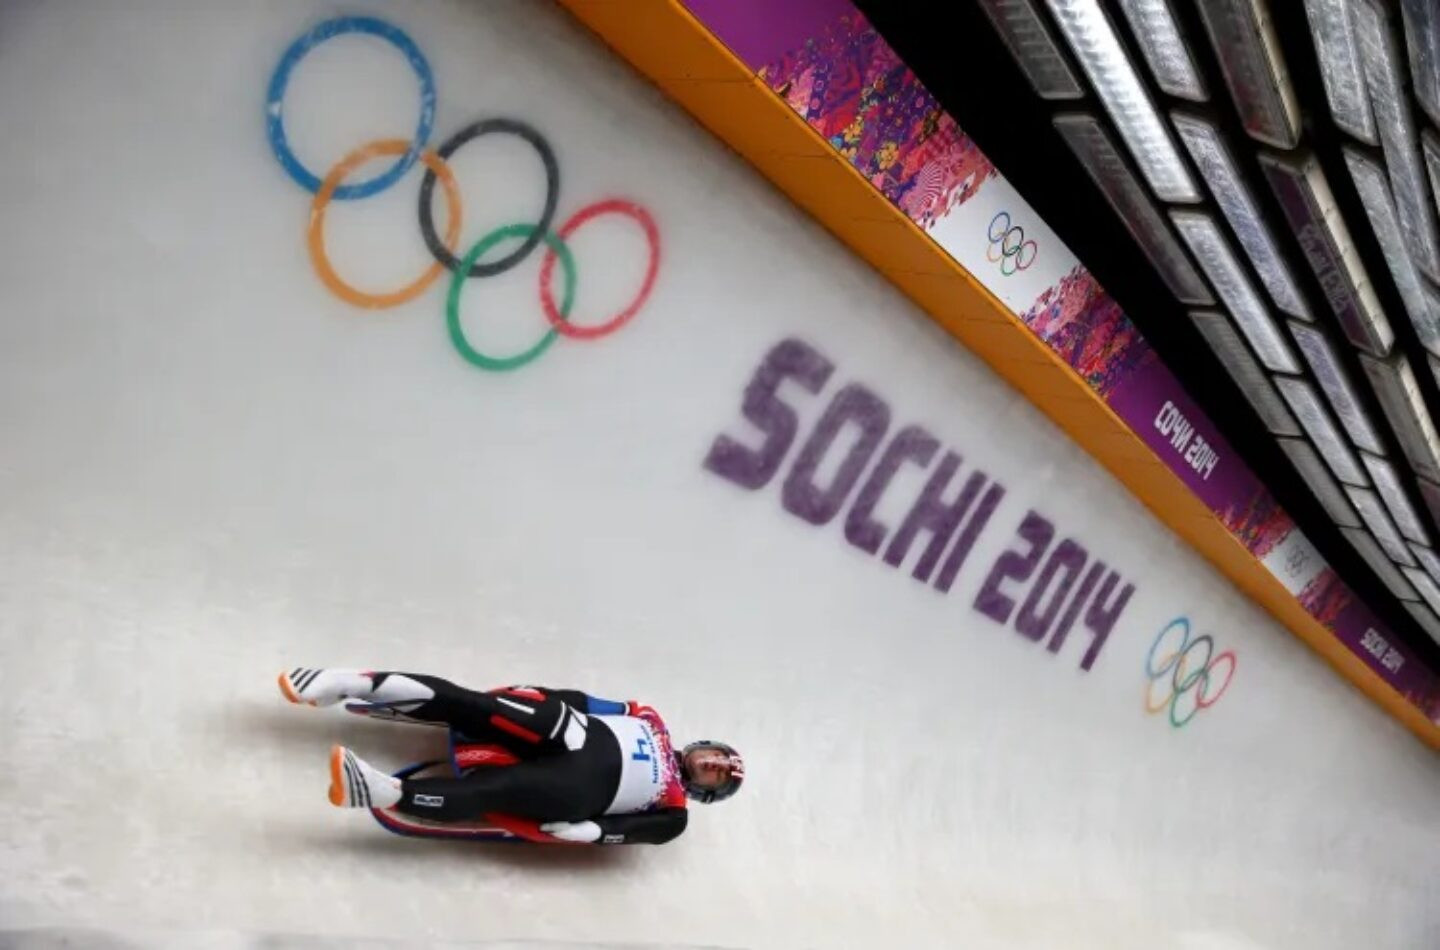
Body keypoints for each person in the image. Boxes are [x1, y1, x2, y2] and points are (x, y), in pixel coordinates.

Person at [277, 668, 743, 845]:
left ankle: (384, 791)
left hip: (580, 790)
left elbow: (637, 833)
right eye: (720, 756)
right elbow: (588, 702)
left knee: (496, 792)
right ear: (706, 744)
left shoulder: (675, 813)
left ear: (707, 791)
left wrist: (593, 832)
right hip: (573, 731)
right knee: (476, 705)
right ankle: (349, 683)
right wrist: (541, 695)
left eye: (720, 775)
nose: (715, 764)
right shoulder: (650, 717)